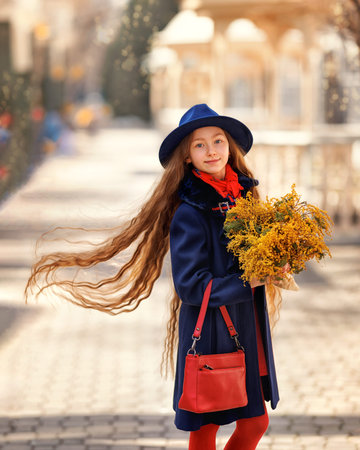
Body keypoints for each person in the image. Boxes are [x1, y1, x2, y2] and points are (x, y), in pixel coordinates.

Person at [25, 104, 280, 450]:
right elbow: (191, 286)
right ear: (187, 157)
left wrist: (278, 260)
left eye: (218, 141)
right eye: (199, 145)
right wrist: (246, 282)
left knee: (254, 423)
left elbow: (252, 257)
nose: (211, 150)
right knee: (206, 429)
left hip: (246, 326)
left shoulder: (244, 197)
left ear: (230, 147)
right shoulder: (190, 212)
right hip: (212, 332)